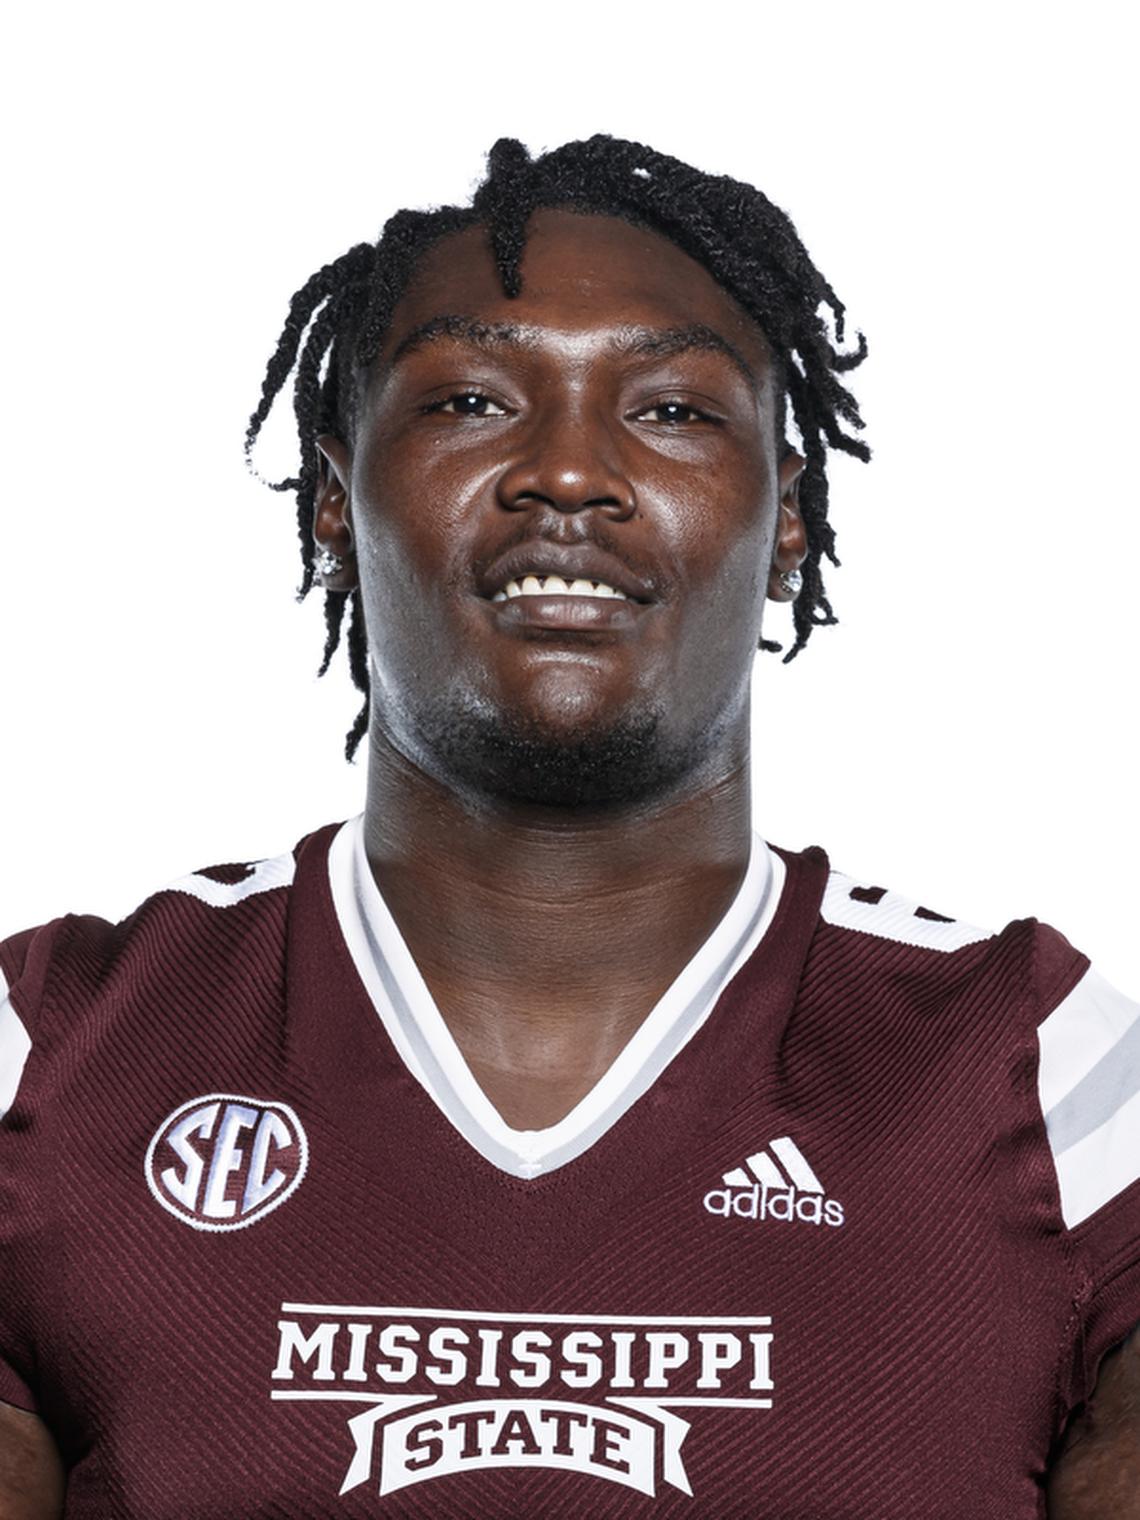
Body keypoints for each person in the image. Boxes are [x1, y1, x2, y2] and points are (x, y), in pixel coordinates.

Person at [0, 134, 1136, 1517]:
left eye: (669, 410)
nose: (569, 473)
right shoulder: (53, 1051)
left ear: (789, 514)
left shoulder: (1044, 1072)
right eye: (471, 398)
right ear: (331, 499)